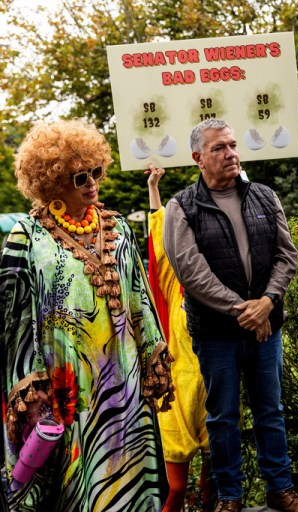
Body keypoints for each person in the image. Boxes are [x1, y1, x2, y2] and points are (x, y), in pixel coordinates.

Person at [0, 119, 173, 510]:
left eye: (95, 172)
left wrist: (153, 358)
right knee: (77, 479)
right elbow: (12, 322)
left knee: (130, 475)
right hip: (67, 387)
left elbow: (140, 298)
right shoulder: (26, 236)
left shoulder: (119, 229)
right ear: (52, 181)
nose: (92, 183)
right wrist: (30, 388)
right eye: (80, 177)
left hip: (124, 381)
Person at [163, 119, 298, 512]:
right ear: (198, 158)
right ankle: (230, 497)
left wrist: (267, 301)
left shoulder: (264, 195)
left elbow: (287, 254)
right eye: (218, 148)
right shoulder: (181, 207)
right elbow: (190, 272)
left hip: (266, 327)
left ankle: (280, 490)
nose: (230, 153)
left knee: (270, 411)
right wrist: (243, 310)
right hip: (215, 334)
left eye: (232, 145)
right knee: (223, 417)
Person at [145, 163, 215, 512]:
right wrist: (154, 185)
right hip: (178, 383)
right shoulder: (174, 277)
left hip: (214, 380)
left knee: (211, 484)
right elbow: (160, 230)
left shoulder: (217, 268)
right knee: (175, 488)